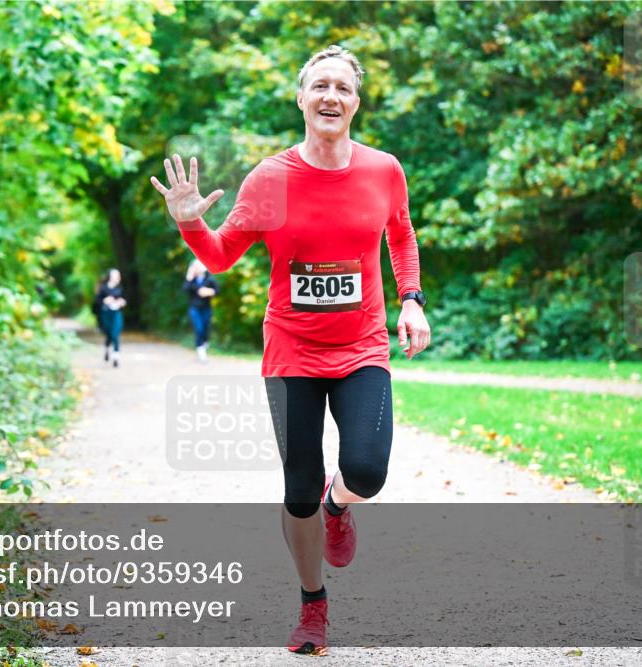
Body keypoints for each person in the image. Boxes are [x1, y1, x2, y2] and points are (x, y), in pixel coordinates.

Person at [150, 45, 431, 655]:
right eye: (320, 86)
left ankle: (341, 504)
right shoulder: (272, 178)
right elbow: (220, 254)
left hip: (361, 346)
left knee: (366, 470)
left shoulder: (383, 169)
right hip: (292, 350)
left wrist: (411, 299)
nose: (332, 96)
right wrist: (189, 222)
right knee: (297, 485)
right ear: (301, 98)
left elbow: (401, 232)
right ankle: (313, 605)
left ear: (356, 102)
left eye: (343, 88)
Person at [183, 259, 219, 363]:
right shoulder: (191, 280)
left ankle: (204, 345)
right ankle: (201, 352)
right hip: (194, 308)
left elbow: (217, 290)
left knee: (206, 328)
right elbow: (185, 289)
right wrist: (189, 276)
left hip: (206, 308)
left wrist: (209, 292)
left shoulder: (209, 279)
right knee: (198, 328)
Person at [94, 268, 126, 368]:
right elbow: (96, 302)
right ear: (111, 277)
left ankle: (116, 357)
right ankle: (107, 349)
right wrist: (105, 300)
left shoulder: (120, 288)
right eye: (116, 276)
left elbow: (124, 299)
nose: (118, 278)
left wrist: (122, 302)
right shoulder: (103, 288)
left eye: (119, 276)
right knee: (109, 333)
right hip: (106, 314)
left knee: (115, 334)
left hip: (117, 313)